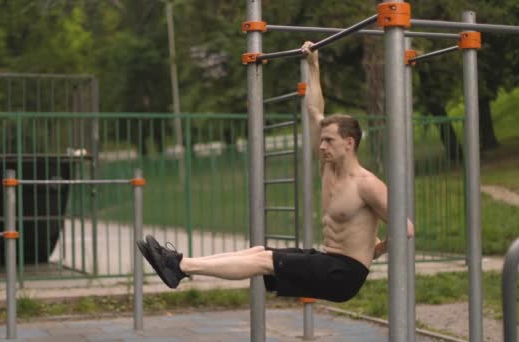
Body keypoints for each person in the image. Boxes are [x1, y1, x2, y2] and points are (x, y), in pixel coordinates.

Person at [137, 41, 414, 303]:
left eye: (329, 140)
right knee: (259, 252)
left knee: (262, 261)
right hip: (328, 260)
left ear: (349, 143)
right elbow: (314, 109)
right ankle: (180, 266)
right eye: (321, 140)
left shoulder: (367, 184)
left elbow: (407, 229)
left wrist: (376, 250)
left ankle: (179, 265)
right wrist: (314, 66)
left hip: (344, 274)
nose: (321, 145)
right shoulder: (328, 168)